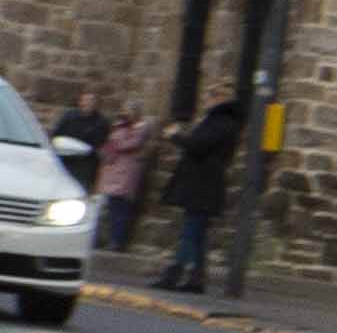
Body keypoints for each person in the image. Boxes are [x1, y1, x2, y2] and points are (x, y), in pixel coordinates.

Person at [156, 97, 243, 292]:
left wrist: (175, 136)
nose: (205, 100)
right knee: (198, 235)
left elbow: (198, 146)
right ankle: (197, 279)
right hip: (206, 184)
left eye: (210, 97)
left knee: (190, 232)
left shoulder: (218, 123)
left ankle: (174, 274)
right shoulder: (225, 123)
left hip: (202, 185)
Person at [91, 98, 155, 252]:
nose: (125, 113)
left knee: (120, 210)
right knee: (108, 208)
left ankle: (116, 241)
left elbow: (127, 144)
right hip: (112, 171)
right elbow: (110, 142)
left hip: (125, 173)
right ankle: (102, 239)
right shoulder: (120, 126)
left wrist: (118, 135)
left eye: (128, 110)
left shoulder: (140, 129)